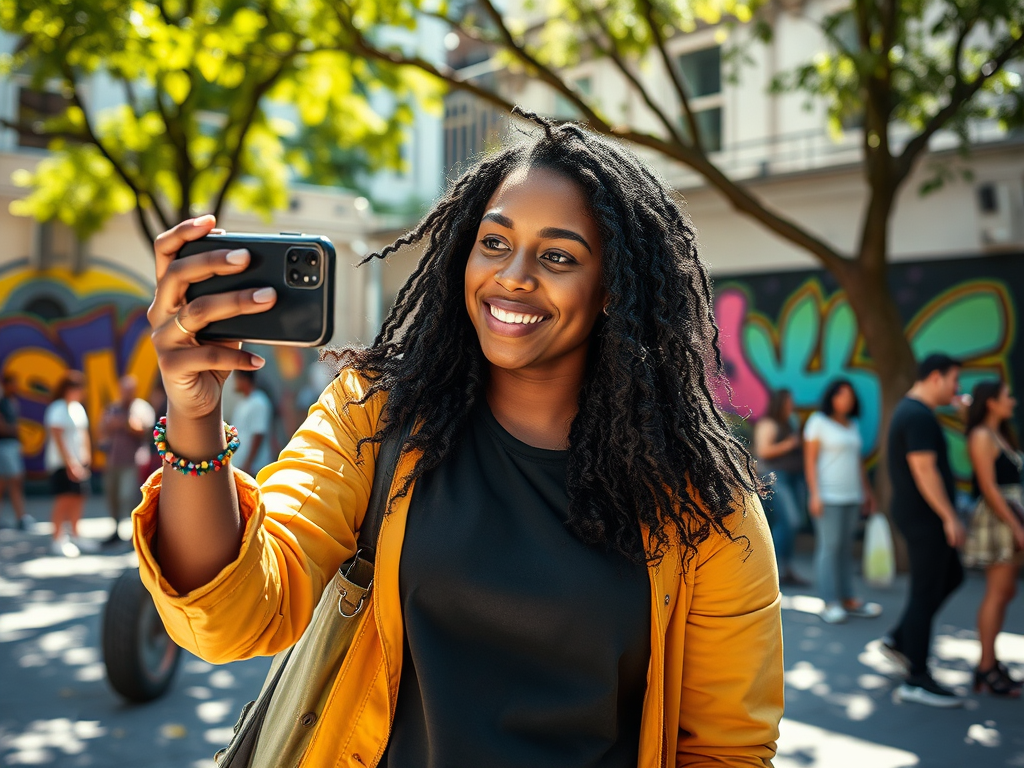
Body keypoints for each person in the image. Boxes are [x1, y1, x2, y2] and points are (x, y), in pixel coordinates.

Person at [133, 116, 783, 766]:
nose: (514, 275)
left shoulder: (705, 507)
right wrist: (193, 414)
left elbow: (728, 749)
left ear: (613, 288)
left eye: (558, 256)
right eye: (494, 242)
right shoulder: (374, 417)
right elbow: (237, 616)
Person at [885, 354, 966, 708]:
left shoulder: (913, 411)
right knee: (925, 591)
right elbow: (924, 471)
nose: (957, 389)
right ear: (936, 377)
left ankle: (902, 639)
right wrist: (950, 516)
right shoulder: (917, 415)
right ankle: (916, 677)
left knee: (951, 576)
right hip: (925, 519)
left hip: (920, 517)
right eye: (954, 380)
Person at [804, 379, 881, 624]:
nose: (846, 400)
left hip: (852, 496)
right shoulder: (817, 422)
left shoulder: (853, 425)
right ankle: (829, 602)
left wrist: (867, 493)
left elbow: (857, 462)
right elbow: (810, 462)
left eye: (850, 396)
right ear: (831, 397)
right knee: (830, 547)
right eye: (841, 395)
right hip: (828, 496)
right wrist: (814, 494)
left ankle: (848, 598)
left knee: (846, 548)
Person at [963, 379, 1023, 696]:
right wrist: (1016, 526)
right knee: (997, 593)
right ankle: (986, 667)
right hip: (999, 518)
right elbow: (989, 487)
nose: (1012, 400)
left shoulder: (998, 433)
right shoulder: (982, 435)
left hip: (1008, 515)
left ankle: (990, 663)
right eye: (1007, 395)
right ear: (991, 402)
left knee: (1005, 591)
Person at [754, 388, 810, 586]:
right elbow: (764, 451)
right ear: (780, 403)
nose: (791, 405)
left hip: (794, 478)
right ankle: (774, 569)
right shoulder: (768, 424)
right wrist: (790, 444)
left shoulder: (789, 423)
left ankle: (785, 569)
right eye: (788, 401)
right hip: (775, 478)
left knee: (791, 524)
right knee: (787, 522)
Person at [99, 375, 155, 544]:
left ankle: (136, 534)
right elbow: (101, 430)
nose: (126, 393)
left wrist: (125, 424)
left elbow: (144, 430)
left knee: (130, 496)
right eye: (124, 389)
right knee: (113, 495)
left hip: (134, 461)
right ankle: (116, 529)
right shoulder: (112, 408)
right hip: (114, 459)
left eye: (129, 390)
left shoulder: (141, 408)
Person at [44, 370, 93, 557]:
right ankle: (57, 539)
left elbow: (83, 434)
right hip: (61, 464)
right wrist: (70, 463)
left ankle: (75, 535)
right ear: (65, 388)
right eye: (75, 387)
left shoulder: (78, 408)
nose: (79, 391)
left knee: (78, 497)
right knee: (63, 499)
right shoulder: (57, 408)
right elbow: (58, 437)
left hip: (79, 463)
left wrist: (86, 456)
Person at [0, 372, 32, 530]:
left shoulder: (12, 401)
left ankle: (20, 517)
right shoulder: (2, 402)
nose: (16, 386)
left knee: (8, 482)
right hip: (5, 447)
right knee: (14, 481)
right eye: (13, 383)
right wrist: (15, 430)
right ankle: (21, 518)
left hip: (11, 446)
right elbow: (2, 427)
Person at [230, 369, 273, 476]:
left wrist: (248, 464)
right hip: (241, 466)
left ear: (244, 379)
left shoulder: (259, 401)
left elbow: (258, 434)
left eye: (236, 379)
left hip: (253, 468)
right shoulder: (243, 402)